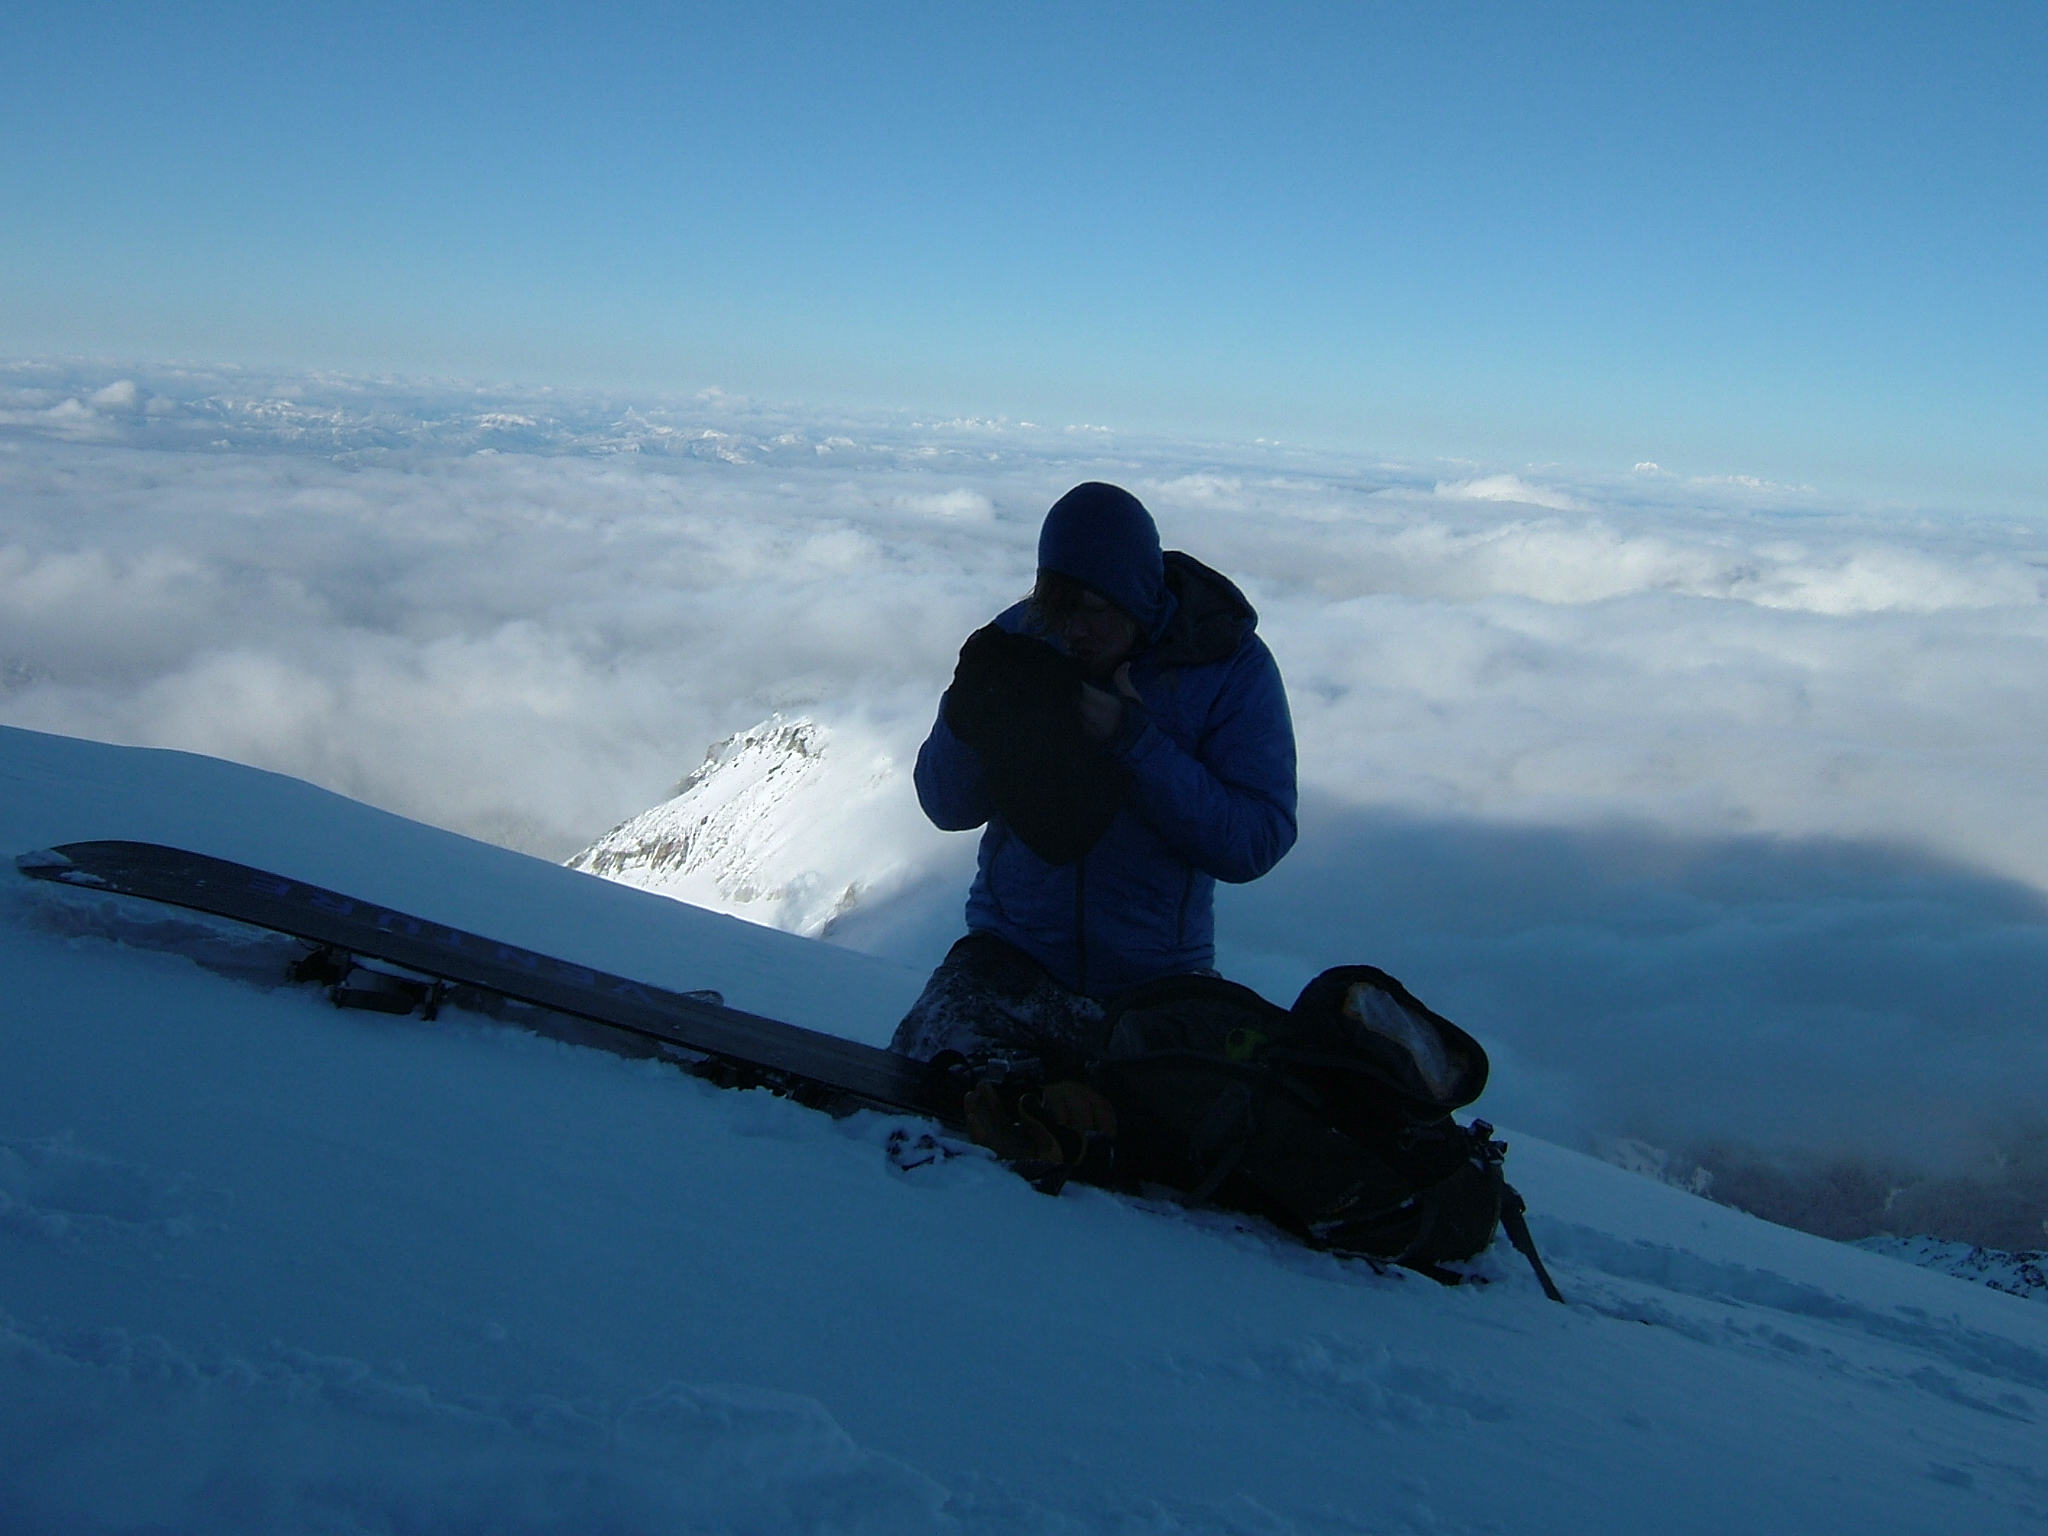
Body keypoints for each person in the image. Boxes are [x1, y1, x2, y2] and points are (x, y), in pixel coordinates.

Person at [889, 482, 1298, 1114]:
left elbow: (1255, 839)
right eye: (1060, 605)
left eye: (1095, 608)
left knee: (1185, 1153)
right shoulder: (1020, 641)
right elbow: (946, 807)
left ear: (1137, 595)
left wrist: (1135, 743)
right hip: (1010, 957)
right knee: (927, 1093)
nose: (1075, 630)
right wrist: (968, 719)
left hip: (1156, 981)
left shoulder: (1229, 668)